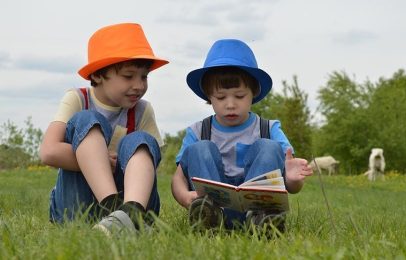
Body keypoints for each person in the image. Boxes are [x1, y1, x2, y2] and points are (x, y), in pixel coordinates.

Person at [39, 23, 168, 234]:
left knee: (141, 140)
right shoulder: (78, 99)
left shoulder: (143, 110)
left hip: (132, 198)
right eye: (128, 76)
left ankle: (131, 213)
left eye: (144, 76)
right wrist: (99, 160)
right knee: (86, 119)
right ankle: (114, 210)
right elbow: (49, 151)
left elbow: (150, 161)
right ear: (98, 75)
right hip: (78, 207)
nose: (139, 85)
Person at [171, 39, 313, 231]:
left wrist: (293, 181)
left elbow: (290, 185)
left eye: (239, 96)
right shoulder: (198, 131)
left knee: (269, 147)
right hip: (214, 205)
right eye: (221, 97)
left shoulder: (269, 129)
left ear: (253, 92)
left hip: (257, 207)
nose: (230, 104)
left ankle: (263, 221)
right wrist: (184, 197)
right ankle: (208, 219)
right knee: (200, 149)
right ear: (208, 96)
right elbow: (178, 178)